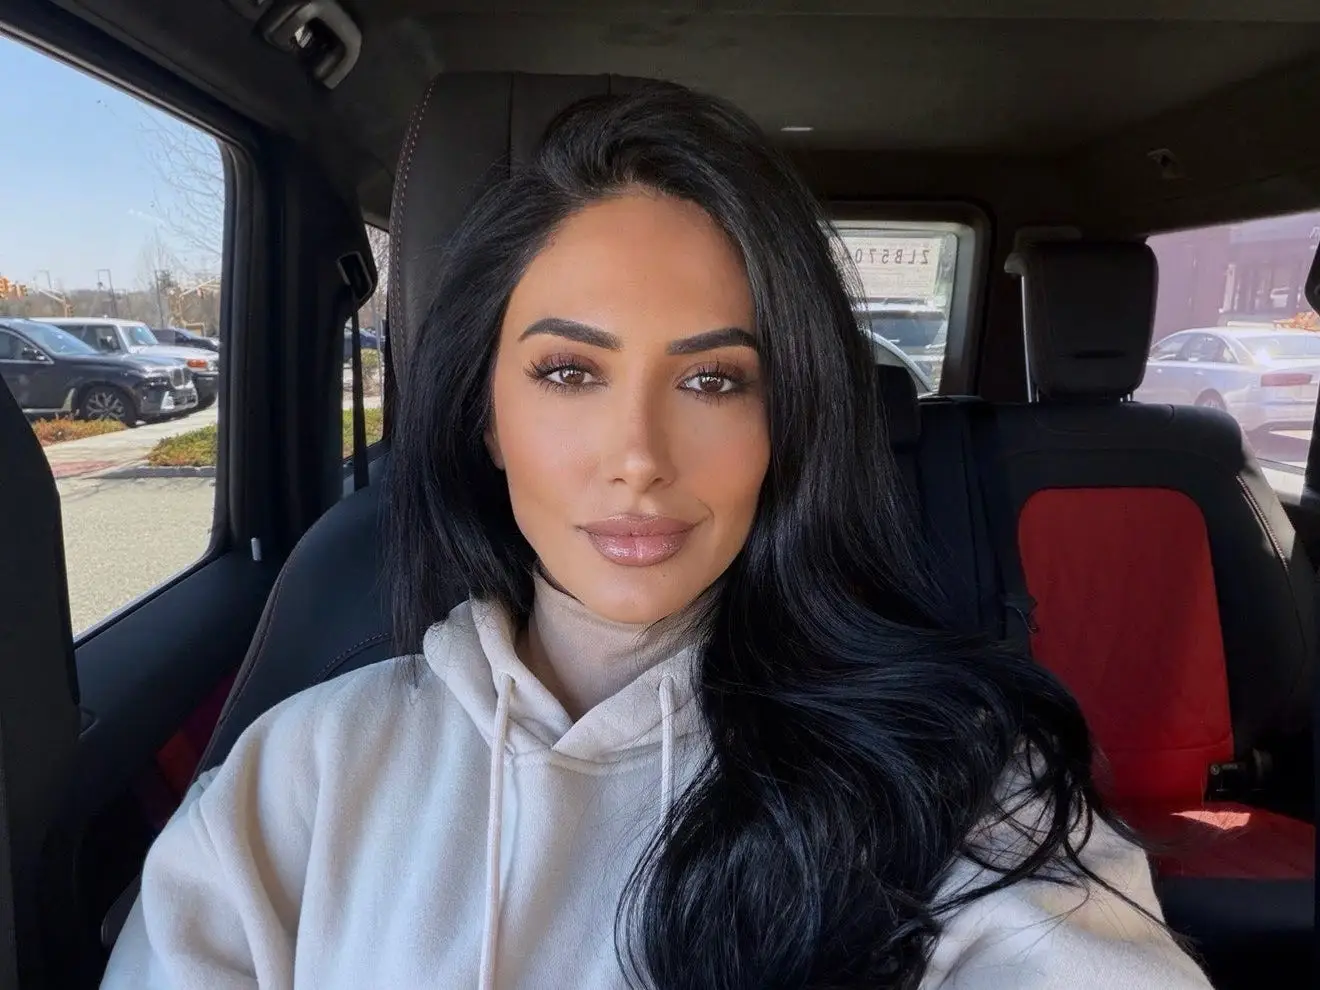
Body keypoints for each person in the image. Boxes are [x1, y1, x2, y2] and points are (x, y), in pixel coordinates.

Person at [101, 84, 1212, 990]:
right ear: (485, 418)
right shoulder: (297, 775)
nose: (638, 456)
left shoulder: (957, 779)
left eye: (714, 379)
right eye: (568, 372)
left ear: (784, 424)